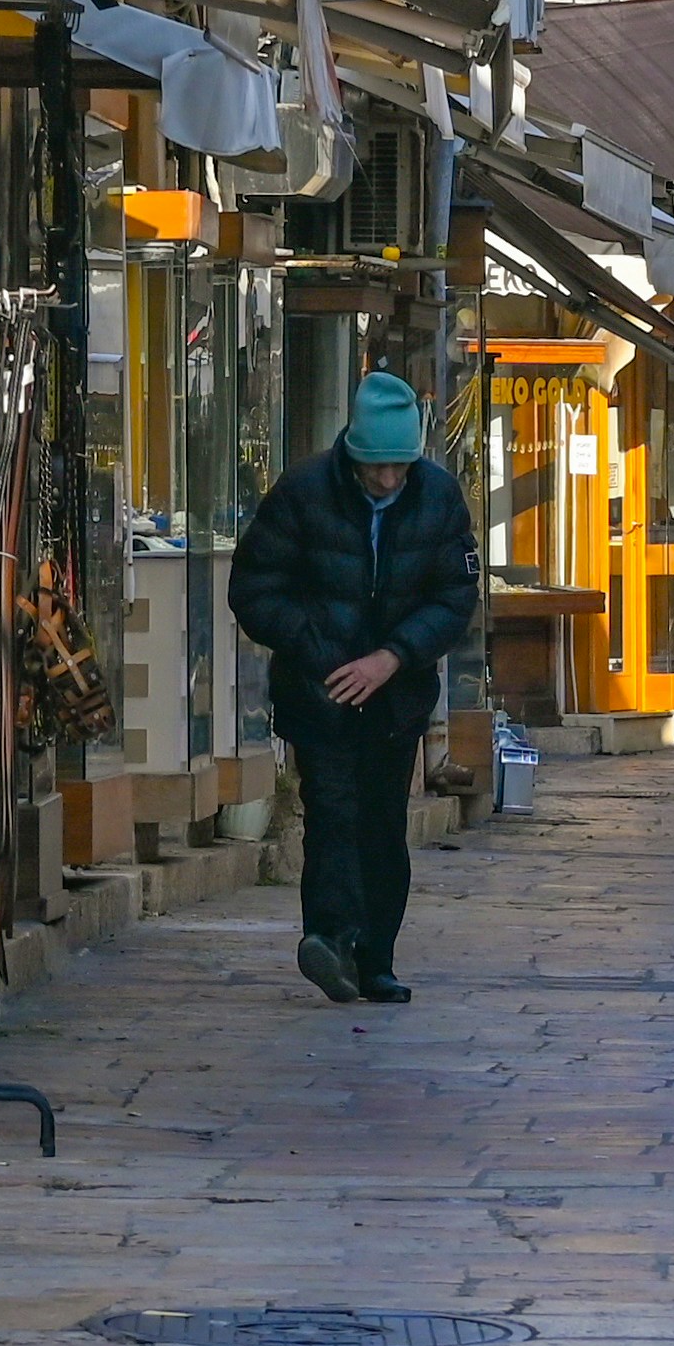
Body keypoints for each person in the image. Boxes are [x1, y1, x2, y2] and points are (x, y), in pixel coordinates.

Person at [227, 371, 479, 1005]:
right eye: (376, 467)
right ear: (352, 453)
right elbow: (254, 589)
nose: (389, 480)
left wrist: (392, 658)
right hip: (320, 692)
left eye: (399, 467)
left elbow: (454, 596)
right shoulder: (304, 491)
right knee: (334, 813)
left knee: (383, 822)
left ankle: (378, 960)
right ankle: (330, 938)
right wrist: (322, 656)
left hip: (396, 696)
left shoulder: (439, 497)